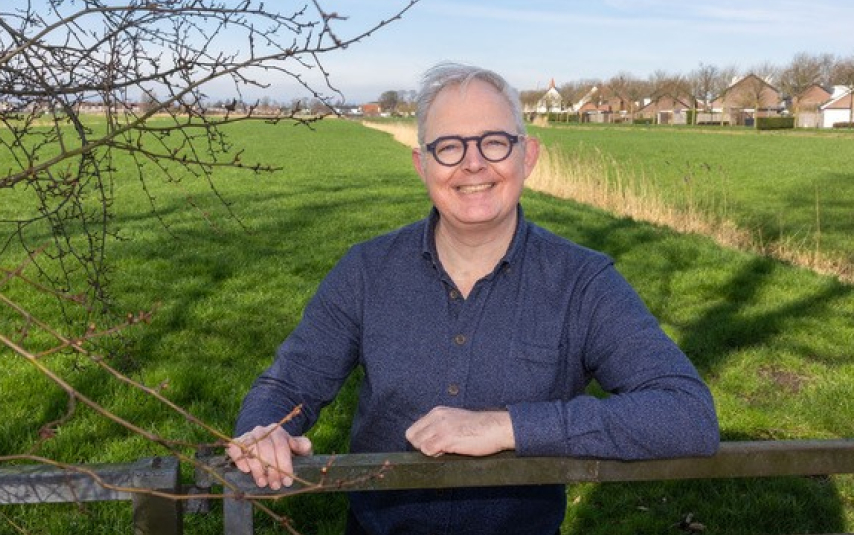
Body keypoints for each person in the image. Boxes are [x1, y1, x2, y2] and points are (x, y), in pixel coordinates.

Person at [228, 62, 719, 535]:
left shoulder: (582, 282)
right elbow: (288, 386)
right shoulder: (366, 271)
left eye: (494, 142)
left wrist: (509, 427)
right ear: (423, 165)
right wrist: (265, 428)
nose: (473, 163)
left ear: (527, 156)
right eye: (449, 146)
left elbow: (687, 414)